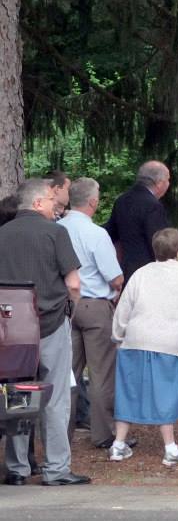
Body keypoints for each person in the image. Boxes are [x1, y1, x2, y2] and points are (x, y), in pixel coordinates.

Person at [0, 179, 88, 486]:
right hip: (50, 323)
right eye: (52, 201)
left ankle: (17, 468)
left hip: (11, 331)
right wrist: (70, 308)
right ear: (37, 203)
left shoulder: (2, 234)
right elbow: (74, 283)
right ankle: (56, 468)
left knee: (17, 395)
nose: (57, 207)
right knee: (55, 396)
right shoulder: (55, 233)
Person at [110, 228, 178, 465]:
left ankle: (118, 444)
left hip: (136, 340)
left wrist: (118, 335)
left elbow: (124, 307)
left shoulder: (140, 275)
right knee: (167, 392)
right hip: (171, 344)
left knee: (128, 391)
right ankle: (170, 447)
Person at [59, 178, 124, 448]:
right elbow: (115, 278)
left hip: (63, 306)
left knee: (67, 373)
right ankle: (103, 433)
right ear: (93, 202)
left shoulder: (55, 228)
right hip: (95, 305)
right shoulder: (96, 234)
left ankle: (61, 433)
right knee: (101, 373)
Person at [105, 161, 171, 281]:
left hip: (125, 269)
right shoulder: (153, 206)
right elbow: (159, 244)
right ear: (160, 183)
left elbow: (110, 233)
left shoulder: (122, 200)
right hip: (148, 273)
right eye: (168, 180)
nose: (168, 184)